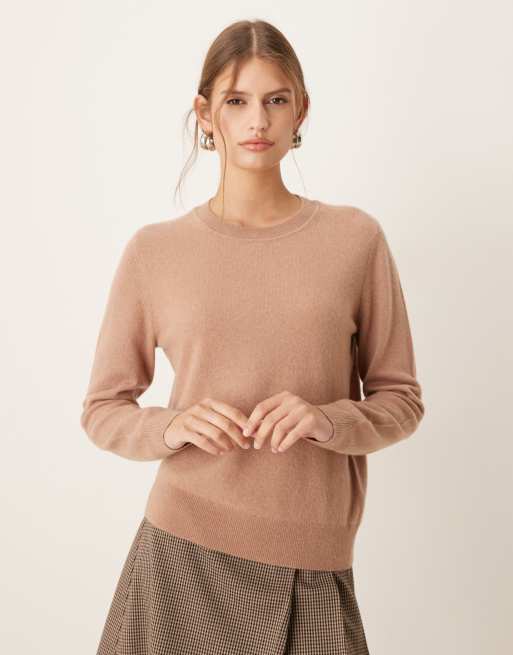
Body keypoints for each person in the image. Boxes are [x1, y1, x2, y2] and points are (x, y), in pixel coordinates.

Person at [80, 18, 425, 655]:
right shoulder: (155, 252)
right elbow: (103, 409)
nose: (257, 121)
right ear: (205, 114)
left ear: (302, 111)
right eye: (236, 101)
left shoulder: (355, 240)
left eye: (276, 100)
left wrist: (326, 419)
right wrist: (172, 427)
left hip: (313, 561)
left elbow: (401, 401)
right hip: (180, 555)